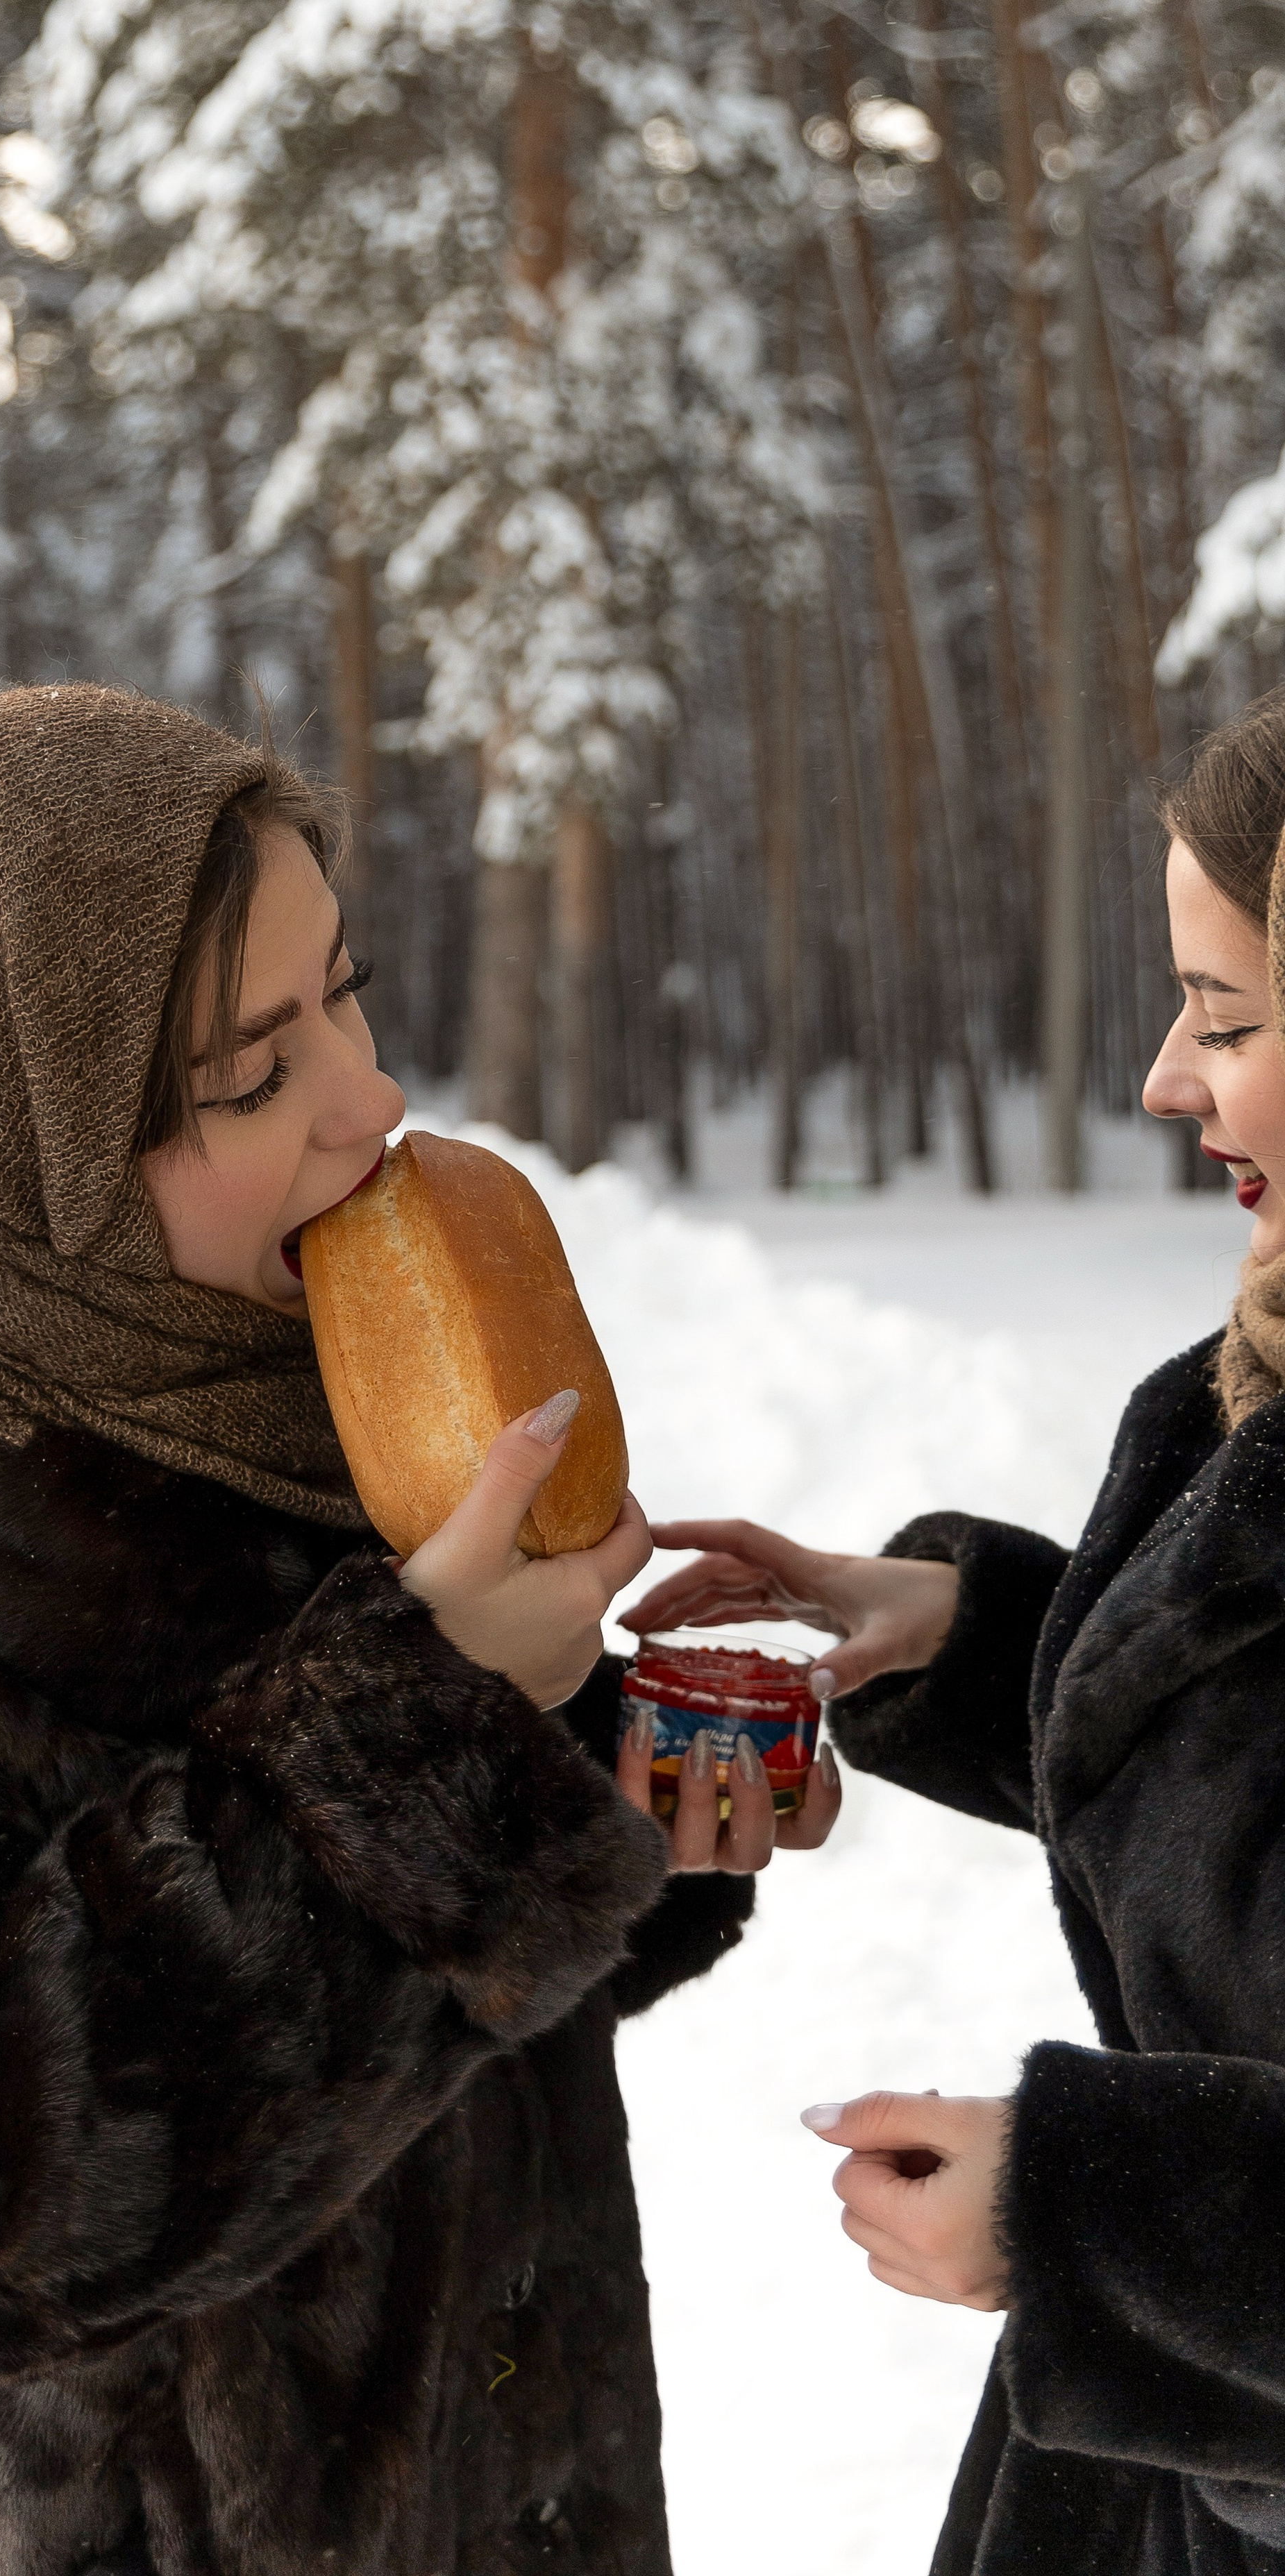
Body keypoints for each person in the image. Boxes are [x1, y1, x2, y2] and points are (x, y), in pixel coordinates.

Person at [0, 683, 837, 2576]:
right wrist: (436, 1728)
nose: (370, 1100)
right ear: (29, 1148)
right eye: (250, 1077)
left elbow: (401, 2000)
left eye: (348, 992)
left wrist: (615, 1796)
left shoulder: (286, 1366)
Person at [621, 684, 1285, 2574]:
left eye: (1229, 1017)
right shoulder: (1253, 1384)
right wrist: (977, 1635)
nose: (1168, 1077)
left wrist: (1087, 2220)